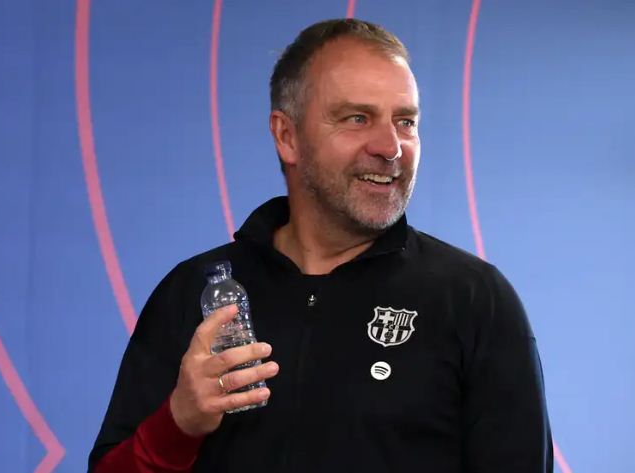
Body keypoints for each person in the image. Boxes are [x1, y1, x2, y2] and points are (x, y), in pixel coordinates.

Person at [89, 18, 553, 473]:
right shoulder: (193, 292)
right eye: (357, 118)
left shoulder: (474, 300)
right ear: (286, 136)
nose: (390, 146)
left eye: (406, 121)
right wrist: (178, 425)